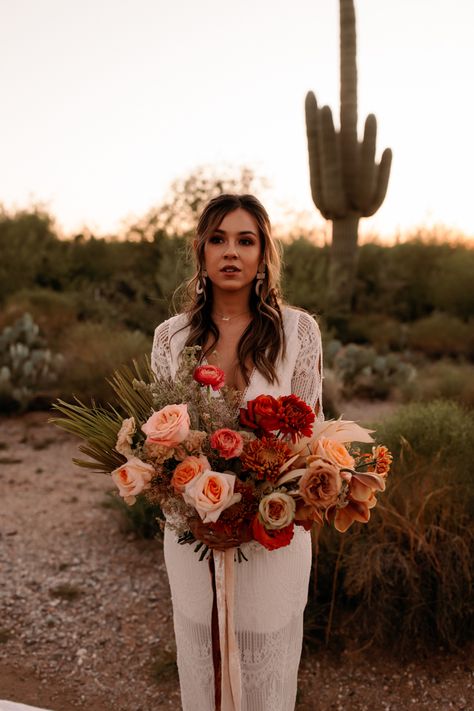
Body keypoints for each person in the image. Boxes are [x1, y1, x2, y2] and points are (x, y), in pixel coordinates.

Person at [151, 193, 324, 711]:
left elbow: (308, 442)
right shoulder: (171, 338)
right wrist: (192, 503)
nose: (231, 252)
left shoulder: (299, 333)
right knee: (203, 656)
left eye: (245, 240)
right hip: (193, 533)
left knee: (265, 660)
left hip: (272, 530)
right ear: (200, 252)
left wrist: (256, 500)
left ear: (263, 253)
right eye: (218, 239)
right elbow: (158, 442)